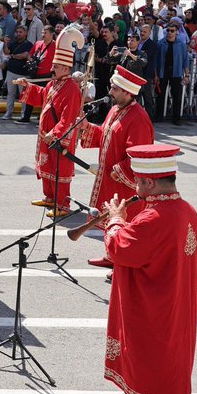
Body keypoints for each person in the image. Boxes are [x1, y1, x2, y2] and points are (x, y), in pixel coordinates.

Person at [98, 143, 197, 394]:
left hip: (153, 304)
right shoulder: (186, 210)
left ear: (149, 182)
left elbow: (120, 249)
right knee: (172, 356)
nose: (136, 186)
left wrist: (116, 218)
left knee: (148, 358)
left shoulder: (153, 218)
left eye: (139, 182)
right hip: (177, 301)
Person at [78, 65, 155, 262]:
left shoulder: (139, 119)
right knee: (110, 219)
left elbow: (139, 155)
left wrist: (117, 171)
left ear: (127, 92)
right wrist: (87, 128)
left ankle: (122, 264)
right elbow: (104, 135)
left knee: (124, 222)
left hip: (124, 183)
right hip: (109, 178)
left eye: (114, 88)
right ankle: (112, 256)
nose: (110, 91)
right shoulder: (114, 109)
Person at [13, 25, 85, 213]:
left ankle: (62, 204)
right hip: (47, 136)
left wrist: (55, 134)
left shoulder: (71, 89)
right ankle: (50, 197)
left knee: (59, 169)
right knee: (47, 165)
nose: (52, 69)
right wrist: (27, 86)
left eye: (56, 66)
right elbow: (42, 96)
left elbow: (68, 118)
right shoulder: (54, 83)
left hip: (58, 138)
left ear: (66, 68)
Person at [155, 23, 190, 126]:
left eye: (172, 31)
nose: (170, 33)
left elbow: (185, 61)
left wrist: (187, 75)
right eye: (168, 30)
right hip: (163, 72)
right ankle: (159, 115)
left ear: (176, 32)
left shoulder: (181, 45)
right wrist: (156, 75)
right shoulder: (160, 43)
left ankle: (176, 117)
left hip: (176, 72)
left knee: (177, 95)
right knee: (160, 95)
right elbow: (156, 62)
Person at [1, 25, 33, 120]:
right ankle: (8, 113)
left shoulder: (29, 44)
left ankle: (23, 114)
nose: (18, 34)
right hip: (11, 72)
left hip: (23, 74)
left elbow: (25, 55)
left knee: (23, 95)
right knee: (10, 94)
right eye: (17, 32)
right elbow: (7, 52)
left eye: (20, 32)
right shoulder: (13, 43)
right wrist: (5, 44)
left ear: (26, 33)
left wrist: (13, 56)